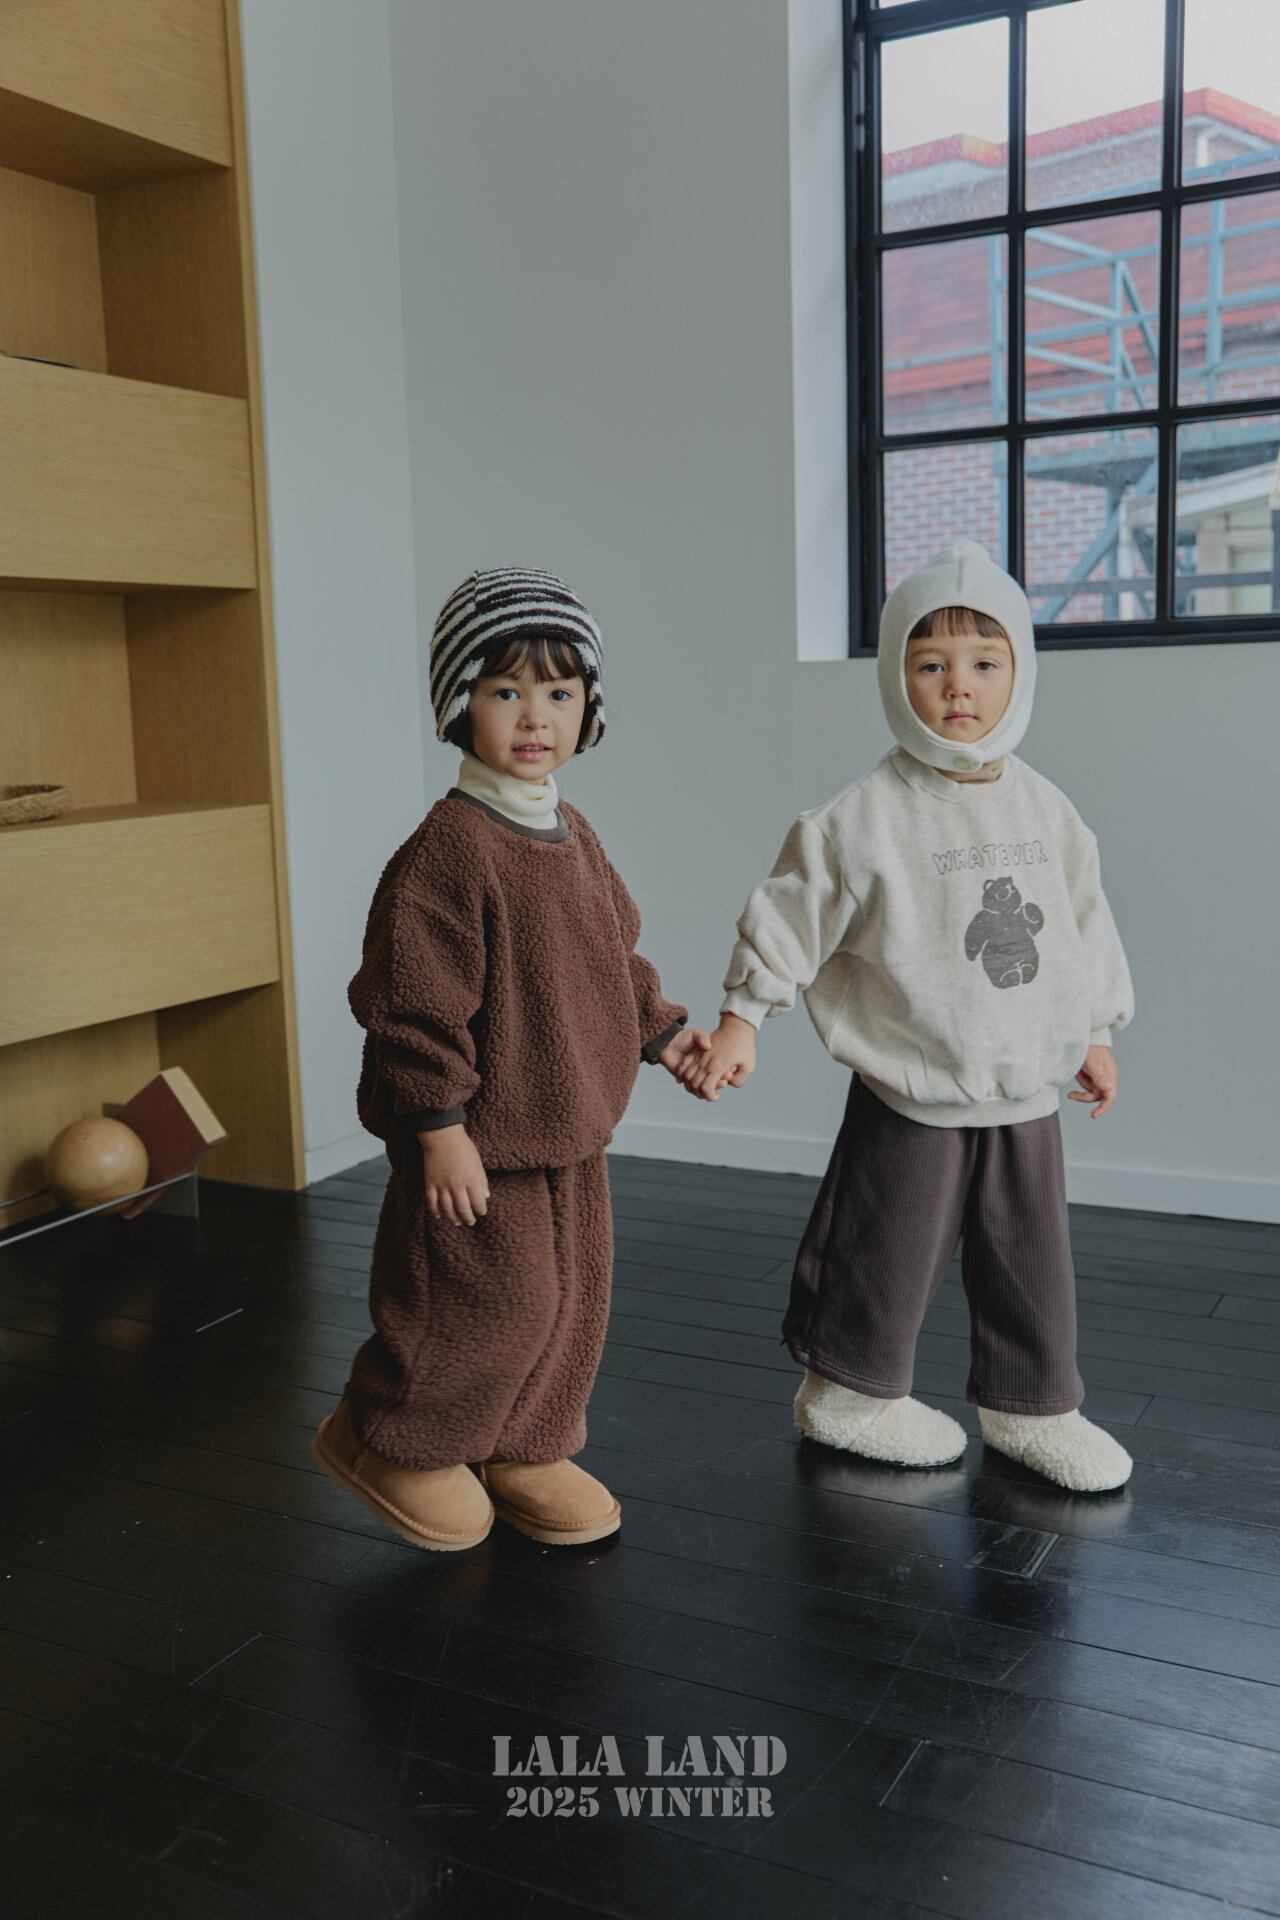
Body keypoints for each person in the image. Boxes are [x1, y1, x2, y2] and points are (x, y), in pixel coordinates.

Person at [680, 540, 1136, 1493]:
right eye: (930, 665)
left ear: (1020, 674)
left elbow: (1083, 928)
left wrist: (1094, 1030)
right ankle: (848, 1394)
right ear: (896, 678)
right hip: (911, 1083)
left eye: (984, 663)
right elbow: (789, 916)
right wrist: (742, 1018)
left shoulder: (1048, 812)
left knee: (1031, 1260)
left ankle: (1032, 1404)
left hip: (1025, 1085)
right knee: (883, 1248)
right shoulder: (864, 817)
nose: (958, 686)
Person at [312, 567, 709, 1549]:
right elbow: (412, 1005)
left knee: (570, 1297)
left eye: (559, 693)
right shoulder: (450, 849)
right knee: (483, 1301)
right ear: (460, 705)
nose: (536, 716)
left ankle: (524, 1444)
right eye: (505, 690)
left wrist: (663, 1033)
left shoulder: (573, 834)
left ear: (587, 712)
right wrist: (437, 1128)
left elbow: (611, 956)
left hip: (568, 1119)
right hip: (478, 1135)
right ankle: (394, 1437)